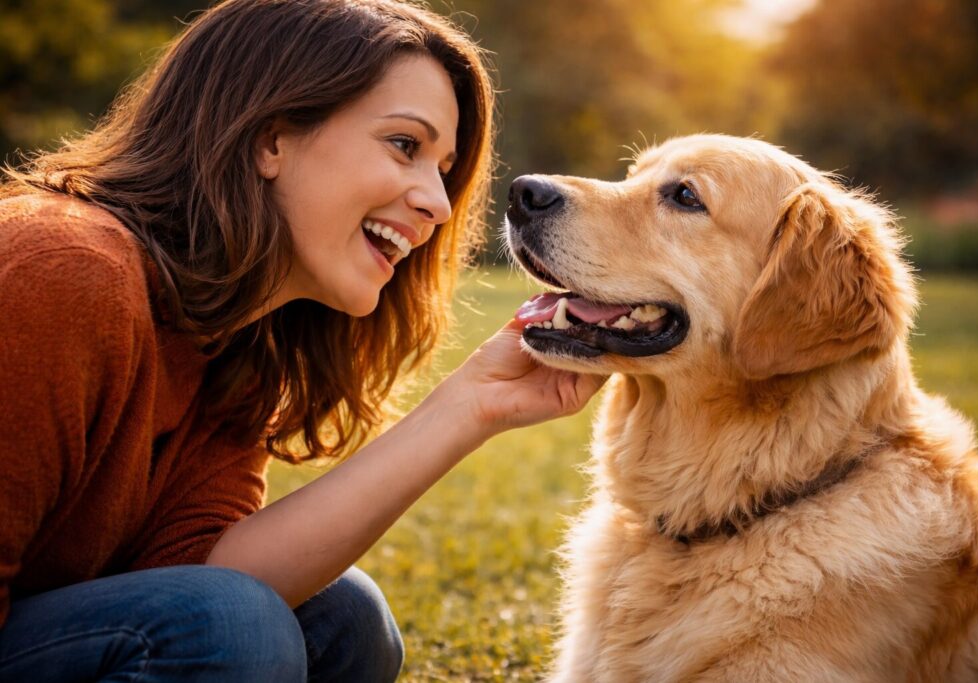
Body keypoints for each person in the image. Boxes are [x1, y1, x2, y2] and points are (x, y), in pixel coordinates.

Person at [0, 1, 605, 680]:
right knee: (234, 624)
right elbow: (212, 612)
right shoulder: (63, 272)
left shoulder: (233, 342)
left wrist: (471, 406)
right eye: (405, 145)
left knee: (342, 616)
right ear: (271, 139)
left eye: (442, 167)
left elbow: (197, 567)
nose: (438, 203)